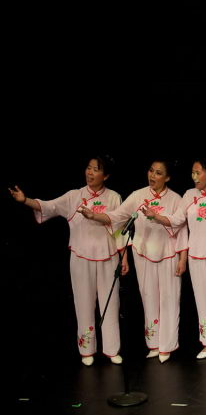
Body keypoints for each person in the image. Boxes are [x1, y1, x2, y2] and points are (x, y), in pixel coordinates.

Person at [9, 156, 127, 366]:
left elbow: (120, 229)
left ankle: (111, 349)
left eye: (96, 169)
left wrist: (124, 257)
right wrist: (25, 200)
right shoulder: (74, 196)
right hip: (81, 257)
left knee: (111, 303)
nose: (90, 173)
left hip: (108, 257)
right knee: (83, 303)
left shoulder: (114, 197)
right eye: (88, 168)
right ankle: (87, 350)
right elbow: (49, 206)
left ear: (106, 175)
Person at [80, 160, 187, 363]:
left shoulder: (176, 199)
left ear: (167, 177)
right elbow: (117, 216)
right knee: (148, 297)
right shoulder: (138, 195)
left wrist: (183, 258)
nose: (152, 175)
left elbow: (182, 229)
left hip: (168, 253)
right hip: (142, 252)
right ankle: (153, 344)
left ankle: (167, 346)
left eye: (158, 173)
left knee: (169, 299)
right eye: (151, 171)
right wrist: (94, 215)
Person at [144, 153, 206, 363]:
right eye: (193, 173)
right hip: (196, 254)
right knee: (202, 299)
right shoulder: (189, 195)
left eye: (198, 173)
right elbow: (177, 219)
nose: (194, 177)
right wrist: (157, 217)